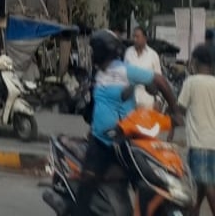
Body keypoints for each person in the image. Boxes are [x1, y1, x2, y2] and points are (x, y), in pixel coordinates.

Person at [71, 30, 180, 216]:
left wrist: (174, 110)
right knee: (87, 184)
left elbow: (159, 80)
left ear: (101, 50)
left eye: (94, 49)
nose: (92, 53)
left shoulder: (124, 69)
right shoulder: (98, 74)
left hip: (125, 141)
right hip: (100, 140)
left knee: (146, 180)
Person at [179, 44, 215, 215]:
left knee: (206, 183)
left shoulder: (191, 82)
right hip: (213, 142)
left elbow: (180, 108)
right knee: (204, 181)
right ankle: (195, 210)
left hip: (199, 141)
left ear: (195, 61)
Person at [124, 26, 162, 110]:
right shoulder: (128, 53)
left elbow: (159, 80)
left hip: (147, 100)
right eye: (133, 36)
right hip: (130, 100)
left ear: (145, 38)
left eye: (137, 37)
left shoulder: (153, 55)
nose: (134, 39)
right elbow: (124, 75)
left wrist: (158, 100)